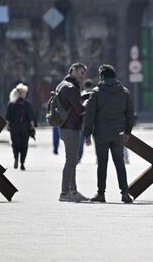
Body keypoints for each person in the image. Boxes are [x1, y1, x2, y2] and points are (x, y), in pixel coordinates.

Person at [84, 64, 134, 203]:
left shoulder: (96, 92)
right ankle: (125, 193)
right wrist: (128, 131)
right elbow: (130, 114)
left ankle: (101, 194)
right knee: (120, 163)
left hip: (101, 134)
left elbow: (90, 115)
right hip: (119, 133)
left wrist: (87, 134)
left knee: (102, 164)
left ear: (102, 76)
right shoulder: (124, 92)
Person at [57, 62, 89, 202]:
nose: (83, 77)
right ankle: (65, 193)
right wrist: (88, 103)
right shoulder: (71, 88)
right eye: (81, 73)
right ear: (74, 70)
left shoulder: (62, 85)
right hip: (71, 128)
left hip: (65, 127)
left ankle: (73, 191)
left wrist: (83, 97)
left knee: (72, 160)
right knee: (71, 161)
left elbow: (70, 104)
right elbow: (79, 110)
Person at [6, 83, 35, 171]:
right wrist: (32, 126)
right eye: (24, 92)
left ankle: (18, 160)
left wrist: (8, 125)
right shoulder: (23, 103)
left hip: (16, 128)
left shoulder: (13, 103)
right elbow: (30, 116)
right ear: (20, 93)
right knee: (23, 146)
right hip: (23, 128)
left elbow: (8, 116)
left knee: (17, 145)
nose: (25, 94)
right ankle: (20, 162)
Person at [78, 79, 94, 162]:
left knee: (80, 141)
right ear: (92, 86)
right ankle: (99, 158)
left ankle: (79, 158)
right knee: (97, 141)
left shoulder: (81, 94)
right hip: (94, 121)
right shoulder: (95, 94)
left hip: (83, 121)